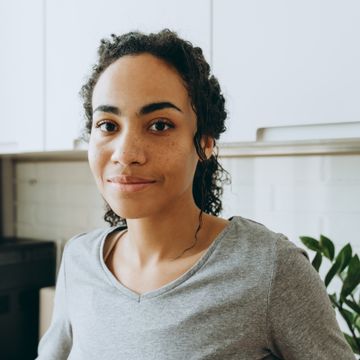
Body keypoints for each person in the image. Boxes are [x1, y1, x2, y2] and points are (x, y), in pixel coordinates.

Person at [36, 29, 356, 359]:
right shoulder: (79, 260)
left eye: (159, 125)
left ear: (205, 142)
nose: (125, 153)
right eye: (108, 125)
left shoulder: (269, 269)